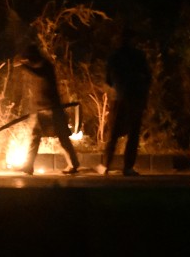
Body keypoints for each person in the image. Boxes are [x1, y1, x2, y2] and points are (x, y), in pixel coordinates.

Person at [16, 44, 81, 175]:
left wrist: (23, 66)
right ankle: (28, 165)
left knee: (63, 137)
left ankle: (73, 164)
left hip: (52, 108)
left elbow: (39, 75)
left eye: (29, 59)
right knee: (34, 137)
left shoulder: (45, 66)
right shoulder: (37, 66)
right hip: (40, 109)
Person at [96, 27, 151, 176]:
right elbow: (147, 77)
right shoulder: (139, 56)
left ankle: (105, 165)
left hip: (119, 97)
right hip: (135, 97)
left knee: (113, 133)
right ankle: (128, 167)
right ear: (133, 40)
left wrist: (113, 89)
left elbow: (108, 80)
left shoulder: (114, 57)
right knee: (133, 134)